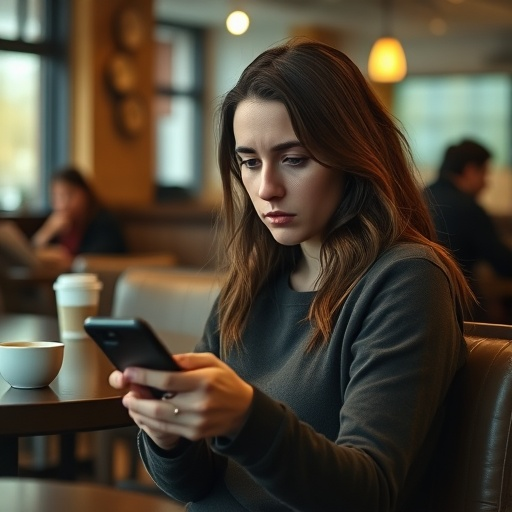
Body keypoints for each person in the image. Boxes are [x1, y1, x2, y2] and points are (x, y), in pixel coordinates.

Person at [109, 40, 472, 511]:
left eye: (294, 159)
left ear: (352, 156)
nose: (267, 188)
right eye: (250, 162)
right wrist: (167, 436)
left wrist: (245, 417)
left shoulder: (406, 281)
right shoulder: (254, 281)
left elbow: (368, 493)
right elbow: (194, 487)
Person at [424, 139, 512, 321]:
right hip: (456, 305)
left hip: (418, 297)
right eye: (485, 174)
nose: (486, 184)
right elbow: (504, 264)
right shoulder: (468, 208)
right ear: (471, 170)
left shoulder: (421, 196)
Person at [32, 166, 127, 269]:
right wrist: (47, 231)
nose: (62, 204)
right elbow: (31, 254)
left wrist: (64, 258)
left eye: (68, 195)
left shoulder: (104, 222)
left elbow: (95, 260)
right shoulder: (59, 223)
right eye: (57, 196)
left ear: (85, 194)